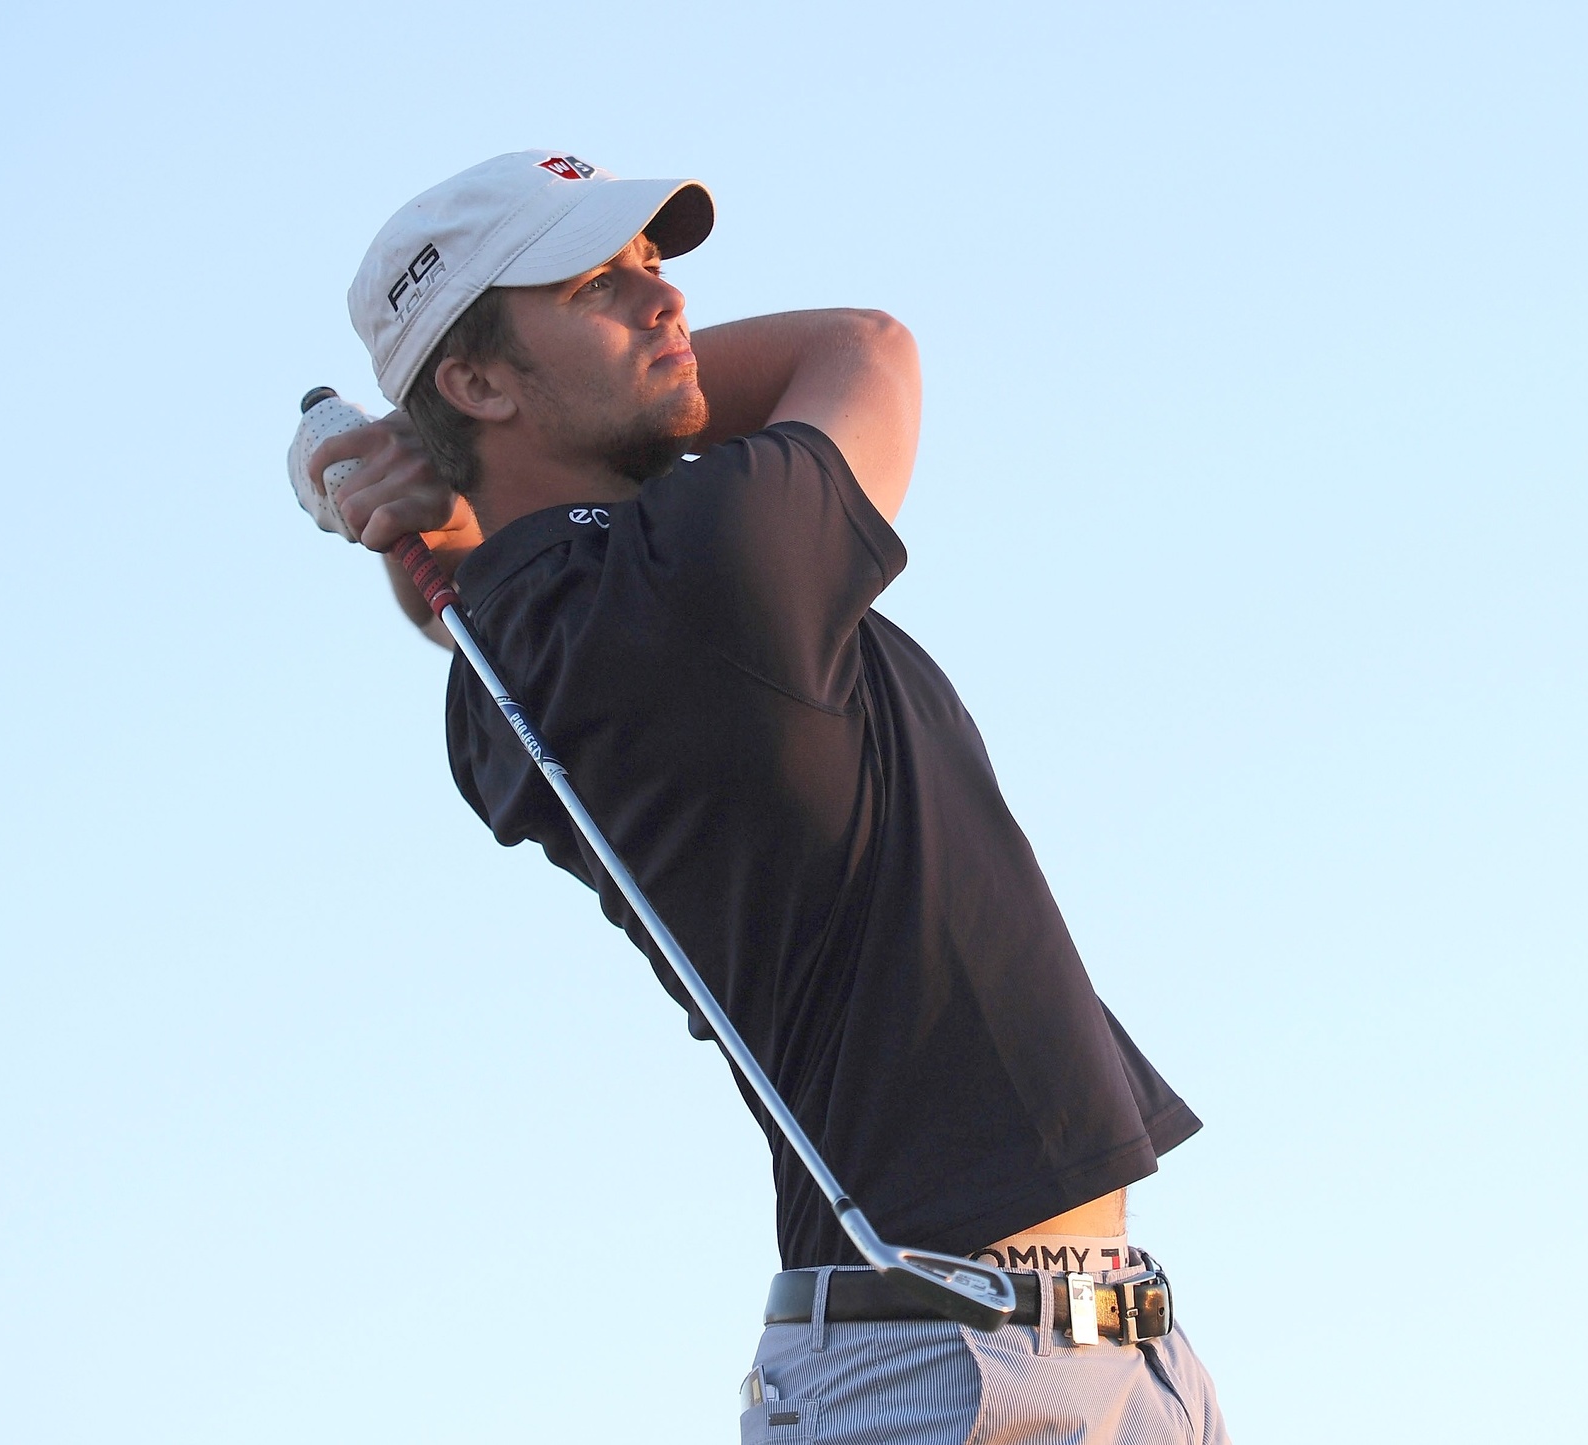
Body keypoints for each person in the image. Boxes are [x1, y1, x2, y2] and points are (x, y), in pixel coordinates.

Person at [308, 149, 1232, 1443]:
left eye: (655, 268)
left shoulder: (500, 680)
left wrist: (455, 476)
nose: (666, 303)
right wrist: (433, 458)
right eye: (595, 287)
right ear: (475, 378)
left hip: (1043, 1344)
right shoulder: (710, 560)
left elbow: (486, 589)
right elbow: (864, 342)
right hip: (959, 1369)